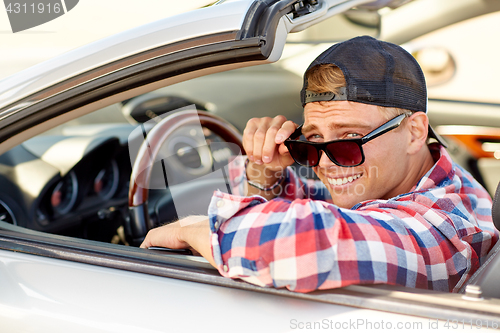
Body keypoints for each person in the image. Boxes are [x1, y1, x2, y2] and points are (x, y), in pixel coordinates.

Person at [141, 36, 498, 293]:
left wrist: (190, 228)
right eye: (311, 141)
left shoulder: (444, 230)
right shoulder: (430, 176)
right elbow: (332, 204)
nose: (326, 162)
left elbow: (306, 241)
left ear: (415, 131)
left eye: (347, 139)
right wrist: (265, 169)